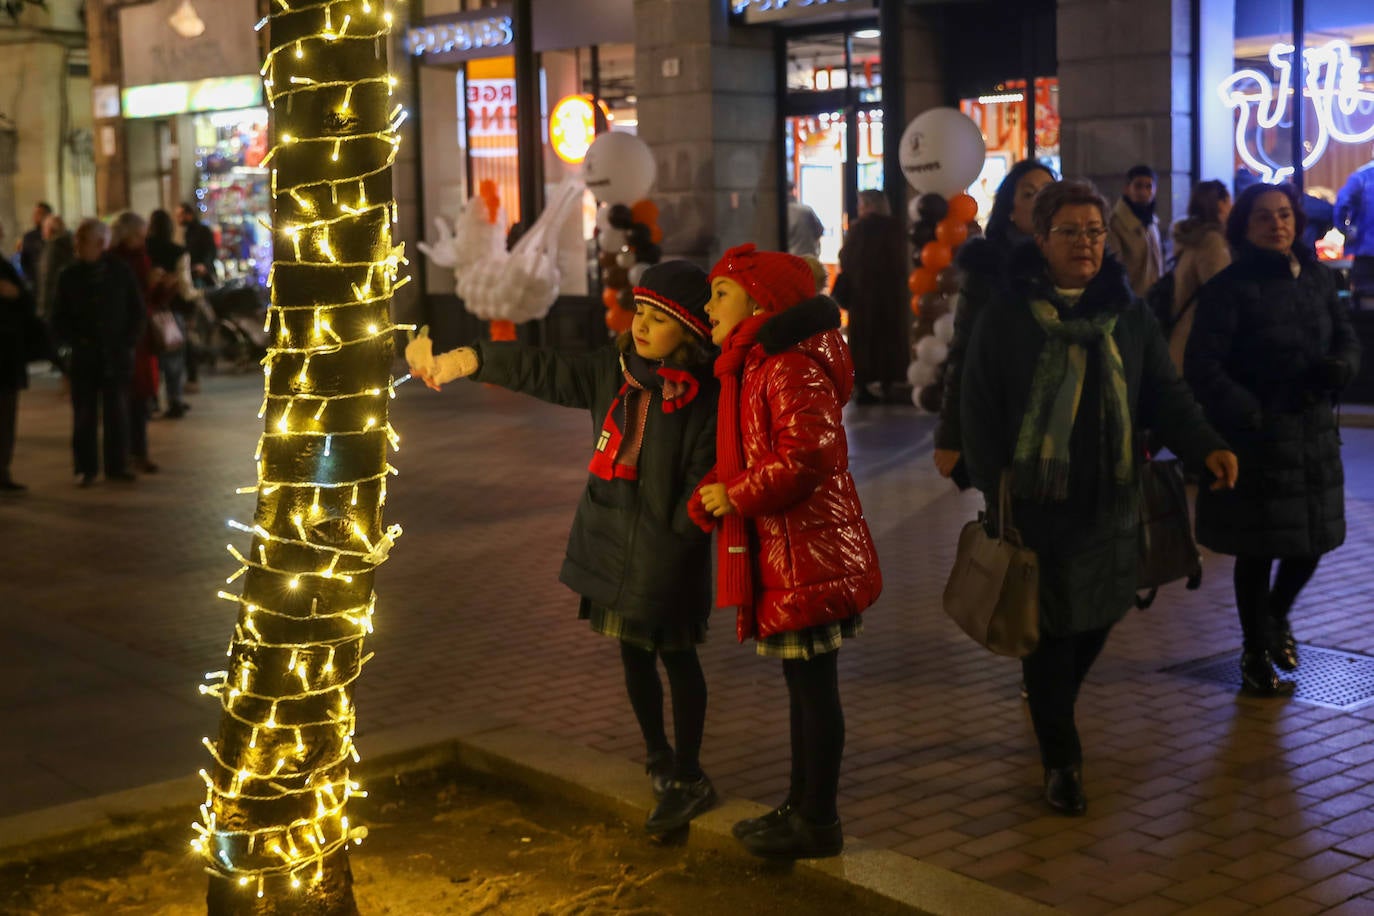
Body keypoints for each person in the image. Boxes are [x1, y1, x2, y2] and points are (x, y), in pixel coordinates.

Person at [405, 261, 722, 835]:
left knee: (677, 657)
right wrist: (470, 360)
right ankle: (657, 755)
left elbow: (705, 473)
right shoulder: (614, 368)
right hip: (609, 534)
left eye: (660, 318)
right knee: (632, 653)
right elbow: (546, 370)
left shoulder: (704, 394)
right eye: (640, 313)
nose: (643, 325)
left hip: (666, 547)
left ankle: (689, 773)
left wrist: (681, 532)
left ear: (692, 332)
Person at [960, 180, 1236, 815]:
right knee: (1050, 632)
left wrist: (1205, 446)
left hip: (1111, 498)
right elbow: (976, 399)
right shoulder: (1008, 313)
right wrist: (991, 479)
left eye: (1093, 232)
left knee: (1101, 615)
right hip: (1036, 502)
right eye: (1070, 232)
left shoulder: (1129, 312)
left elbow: (1164, 395)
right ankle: (1062, 760)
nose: (1085, 243)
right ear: (1042, 239)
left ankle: (1053, 704)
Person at [690, 243, 882, 859]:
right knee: (804, 686)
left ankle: (817, 819)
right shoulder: (756, 360)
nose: (708, 304)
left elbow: (807, 456)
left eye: (720, 292)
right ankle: (802, 806)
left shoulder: (784, 363)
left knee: (813, 688)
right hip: (793, 546)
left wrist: (737, 495)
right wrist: (721, 493)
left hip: (808, 549)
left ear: (760, 300)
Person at [1185, 182, 1361, 697]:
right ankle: (1255, 652)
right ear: (1244, 225)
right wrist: (1247, 412)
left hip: (1311, 436)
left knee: (1311, 541)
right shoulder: (1228, 287)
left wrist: (1342, 367)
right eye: (1264, 217)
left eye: (1284, 215)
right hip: (1257, 438)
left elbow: (1347, 338)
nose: (1277, 225)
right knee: (1257, 550)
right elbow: (1203, 365)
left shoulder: (1318, 281)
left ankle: (1275, 618)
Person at [935, 159, 1057, 481]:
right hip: (1005, 418)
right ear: (1010, 209)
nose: (1041, 202)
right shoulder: (988, 267)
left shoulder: (1068, 261)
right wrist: (950, 436)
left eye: (1048, 193)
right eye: (1030, 194)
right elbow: (963, 350)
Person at [50, 219, 145, 486]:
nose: (78, 246)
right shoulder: (69, 275)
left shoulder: (119, 272)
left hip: (115, 355)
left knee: (117, 413)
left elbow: (136, 312)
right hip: (84, 356)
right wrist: (69, 345)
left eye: (84, 241)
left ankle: (117, 465)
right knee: (84, 416)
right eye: (77, 241)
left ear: (101, 244)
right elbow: (58, 316)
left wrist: (127, 343)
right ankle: (85, 467)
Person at [832, 189, 908, 404]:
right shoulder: (896, 228)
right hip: (891, 295)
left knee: (864, 339)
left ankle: (863, 384)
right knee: (890, 336)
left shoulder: (859, 229)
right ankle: (888, 380)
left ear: (867, 205)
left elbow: (846, 258)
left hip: (863, 295)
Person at [108, 212, 159, 473]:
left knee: (140, 398)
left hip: (142, 335)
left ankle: (138, 451)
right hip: (127, 337)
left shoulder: (141, 257)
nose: (143, 239)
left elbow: (150, 298)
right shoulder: (116, 261)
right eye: (139, 234)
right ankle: (127, 453)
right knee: (127, 397)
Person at [1166, 179, 1232, 371]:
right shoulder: (1211, 242)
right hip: (1197, 345)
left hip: (1180, 338)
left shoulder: (1188, 238)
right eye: (1229, 201)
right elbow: (1220, 295)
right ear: (1220, 204)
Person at [146, 209, 194, 418]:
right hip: (172, 310)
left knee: (151, 357)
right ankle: (175, 400)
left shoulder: (143, 249)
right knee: (173, 354)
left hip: (147, 310)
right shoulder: (178, 251)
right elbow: (185, 287)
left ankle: (152, 400)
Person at [0, 221, 36, 491]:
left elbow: (25, 301)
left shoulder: (5, 266)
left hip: (7, 356)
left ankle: (3, 471)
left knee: (6, 417)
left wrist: (16, 294)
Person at [1107, 164, 1164, 298]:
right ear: (1127, 188)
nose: (1144, 192)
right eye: (1138, 186)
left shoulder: (1152, 222)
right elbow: (1115, 269)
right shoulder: (1115, 224)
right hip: (1131, 302)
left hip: (1154, 301)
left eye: (1149, 186)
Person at [1335, 153, 1374, 309]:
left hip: (1366, 248)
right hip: (1366, 247)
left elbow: (1342, 205)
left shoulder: (1362, 177)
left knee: (1366, 295)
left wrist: (1346, 230)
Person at [16, 201, 52, 284]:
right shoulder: (29, 237)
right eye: (35, 213)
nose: (35, 216)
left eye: (39, 213)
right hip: (35, 281)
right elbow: (24, 261)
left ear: (48, 215)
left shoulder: (56, 236)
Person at [786, 182, 825, 259]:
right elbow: (820, 230)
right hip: (809, 260)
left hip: (789, 260)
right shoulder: (806, 210)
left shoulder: (777, 214)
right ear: (794, 191)